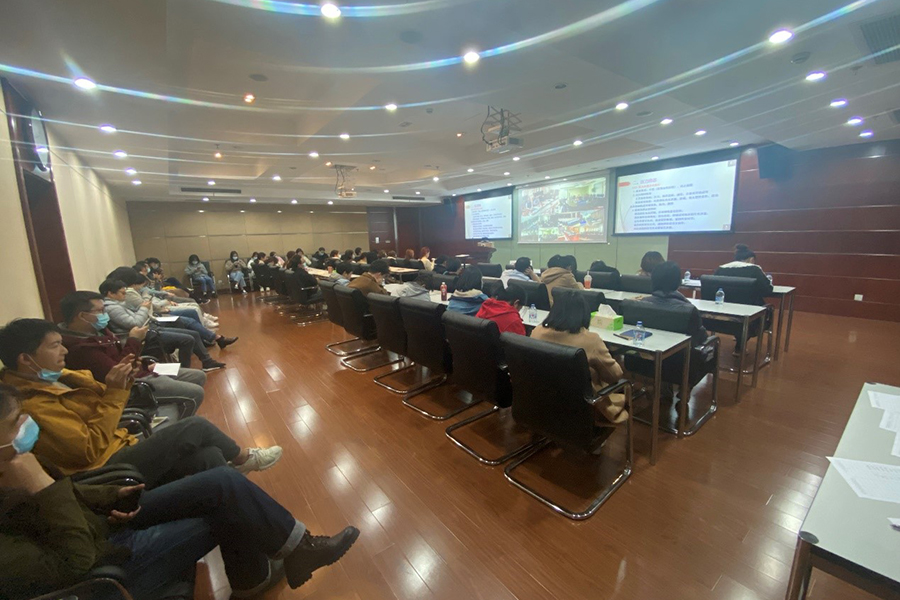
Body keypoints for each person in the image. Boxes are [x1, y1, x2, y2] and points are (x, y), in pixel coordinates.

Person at [0, 384, 359, 600]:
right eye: (16, 422)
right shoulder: (23, 474)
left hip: (99, 520)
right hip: (105, 562)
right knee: (229, 496)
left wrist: (110, 496)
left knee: (210, 462)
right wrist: (44, 487)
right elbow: (77, 565)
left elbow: (71, 493)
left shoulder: (14, 465)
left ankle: (264, 573)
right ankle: (291, 555)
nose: (28, 426)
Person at [0, 319, 282, 484]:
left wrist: (118, 382)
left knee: (208, 457)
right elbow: (87, 450)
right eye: (55, 346)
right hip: (106, 464)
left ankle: (236, 493)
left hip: (118, 438)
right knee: (195, 426)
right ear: (25, 359)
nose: (64, 351)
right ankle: (243, 458)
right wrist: (116, 390)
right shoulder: (30, 402)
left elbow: (103, 396)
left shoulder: (58, 376)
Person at [58, 291, 207, 410]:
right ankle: (178, 429)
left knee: (198, 376)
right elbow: (119, 374)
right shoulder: (80, 348)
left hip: (140, 371)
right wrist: (134, 340)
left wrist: (143, 365)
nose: (105, 314)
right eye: (100, 311)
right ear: (83, 316)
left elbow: (121, 356)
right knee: (195, 392)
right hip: (134, 385)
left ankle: (178, 410)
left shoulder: (99, 331)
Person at [530, 293, 627, 424]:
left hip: (541, 402)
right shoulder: (591, 340)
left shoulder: (537, 332)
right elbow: (614, 375)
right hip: (582, 408)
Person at [101, 279, 226, 372]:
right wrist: (144, 308)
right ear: (110, 293)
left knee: (193, 333)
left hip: (150, 327)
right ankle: (184, 371)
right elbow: (135, 323)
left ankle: (207, 361)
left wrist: (144, 308)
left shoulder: (118, 304)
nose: (125, 296)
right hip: (144, 336)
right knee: (187, 338)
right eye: (122, 293)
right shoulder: (112, 308)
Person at [641, 262, 708, 345]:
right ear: (679, 282)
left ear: (653, 280)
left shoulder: (642, 304)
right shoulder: (690, 310)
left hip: (649, 348)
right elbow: (701, 337)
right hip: (683, 351)